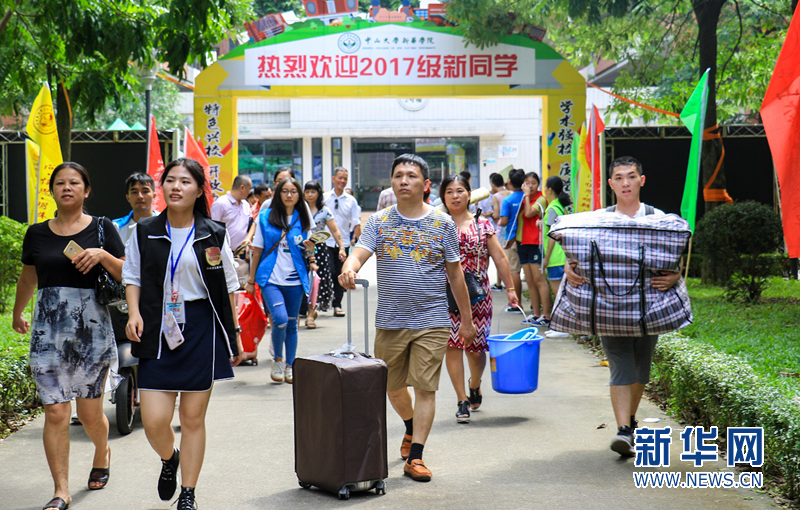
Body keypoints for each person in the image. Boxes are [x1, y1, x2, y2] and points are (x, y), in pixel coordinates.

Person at [339, 154, 477, 483]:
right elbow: (360, 252)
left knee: (426, 388)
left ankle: (416, 456)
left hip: (432, 320)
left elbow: (456, 276)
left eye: (411, 175)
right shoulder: (380, 221)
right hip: (390, 320)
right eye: (398, 175)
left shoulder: (442, 224)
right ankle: (411, 426)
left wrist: (467, 321)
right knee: (393, 387)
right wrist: (349, 266)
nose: (404, 180)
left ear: (425, 184)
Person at [123, 157, 243, 510]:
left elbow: (229, 286)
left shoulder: (213, 233)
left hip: (200, 326)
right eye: (171, 180)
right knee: (154, 420)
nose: (176, 187)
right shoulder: (145, 231)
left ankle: (188, 493)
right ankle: (168, 458)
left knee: (192, 418)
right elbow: (133, 276)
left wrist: (233, 334)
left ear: (198, 190)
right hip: (156, 325)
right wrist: (133, 314)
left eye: (185, 182)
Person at [12, 162, 125, 510]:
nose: (67, 187)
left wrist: (103, 255)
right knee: (57, 413)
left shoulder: (104, 228)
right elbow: (29, 277)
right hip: (47, 334)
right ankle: (61, 490)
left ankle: (102, 451)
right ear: (52, 190)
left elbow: (127, 273)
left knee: (90, 416)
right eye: (60, 182)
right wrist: (17, 312)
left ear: (86, 190)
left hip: (91, 333)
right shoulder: (37, 233)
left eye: (74, 182)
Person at [564, 156, 681, 457]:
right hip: (609, 307)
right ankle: (624, 430)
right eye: (619, 177)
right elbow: (577, 252)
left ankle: (628, 421)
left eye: (631, 176)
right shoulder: (598, 220)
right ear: (611, 184)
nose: (625, 182)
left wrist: (676, 274)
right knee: (621, 366)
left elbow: (674, 257)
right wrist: (569, 266)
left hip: (647, 308)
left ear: (642, 180)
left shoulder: (658, 219)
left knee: (641, 368)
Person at [439, 174, 518, 423]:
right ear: (443, 196)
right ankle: (462, 399)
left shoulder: (482, 224)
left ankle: (475, 383)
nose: (455, 195)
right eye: (449, 191)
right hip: (445, 296)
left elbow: (501, 258)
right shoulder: (438, 225)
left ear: (469, 194)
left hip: (478, 297)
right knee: (452, 346)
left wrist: (511, 289)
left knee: (474, 349)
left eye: (460, 190)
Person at [246, 178, 316, 384]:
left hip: (295, 279)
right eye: (284, 191)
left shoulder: (303, 217)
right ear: (278, 194)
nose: (289, 195)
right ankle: (277, 359)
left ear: (298, 195)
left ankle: (290, 365)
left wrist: (311, 249)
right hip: (270, 278)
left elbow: (309, 247)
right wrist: (251, 280)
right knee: (280, 319)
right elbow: (257, 250)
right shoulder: (266, 216)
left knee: (292, 324)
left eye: (293, 191)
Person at [303, 180, 347, 327]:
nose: (310, 195)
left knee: (315, 281)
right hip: (300, 248)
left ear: (318, 194)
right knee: (300, 280)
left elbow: (335, 230)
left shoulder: (324, 211)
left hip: (319, 250)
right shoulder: (300, 209)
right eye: (307, 191)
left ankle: (311, 313)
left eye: (313, 192)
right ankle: (301, 312)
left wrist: (341, 247)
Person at [324, 167, 361, 317]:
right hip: (326, 242)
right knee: (330, 271)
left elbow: (356, 221)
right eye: (340, 178)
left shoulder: (351, 201)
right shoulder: (325, 198)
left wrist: (355, 239)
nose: (342, 181)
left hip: (343, 243)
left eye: (345, 178)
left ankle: (337, 304)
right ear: (333, 179)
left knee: (340, 273)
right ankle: (325, 300)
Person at [540, 176, 573, 339]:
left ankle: (562, 327)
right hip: (561, 256)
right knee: (562, 292)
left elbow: (553, 236)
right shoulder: (559, 207)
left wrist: (546, 258)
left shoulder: (553, 208)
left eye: (545, 186)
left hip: (555, 257)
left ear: (550, 189)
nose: (544, 189)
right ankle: (560, 325)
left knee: (559, 292)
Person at [519, 172, 551, 326]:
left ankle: (547, 315)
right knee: (530, 281)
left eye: (533, 183)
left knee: (539, 280)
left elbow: (529, 213)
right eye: (527, 182)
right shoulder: (525, 198)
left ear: (538, 184)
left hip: (535, 243)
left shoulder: (541, 199)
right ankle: (536, 313)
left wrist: (525, 196)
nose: (530, 186)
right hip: (524, 242)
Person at [497, 169, 526, 311]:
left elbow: (504, 221)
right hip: (526, 237)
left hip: (511, 238)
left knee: (514, 271)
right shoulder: (527, 197)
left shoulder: (508, 200)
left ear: (509, 182)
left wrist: (498, 222)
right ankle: (534, 305)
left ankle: (517, 303)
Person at [210, 173, 252, 256]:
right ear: (242, 188)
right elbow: (213, 230)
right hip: (225, 253)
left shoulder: (246, 204)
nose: (250, 192)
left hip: (243, 253)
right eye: (249, 189)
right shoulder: (221, 203)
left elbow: (251, 225)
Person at [112, 172, 157, 245]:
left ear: (154, 196)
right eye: (134, 192)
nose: (140, 196)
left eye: (145, 191)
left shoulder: (166, 223)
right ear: (128, 198)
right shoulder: (116, 227)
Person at [490, 173, 511, 291]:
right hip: (512, 227)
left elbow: (497, 215)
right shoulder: (510, 193)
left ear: (492, 184)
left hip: (501, 229)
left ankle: (499, 283)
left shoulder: (496, 196)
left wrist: (490, 214)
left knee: (500, 257)